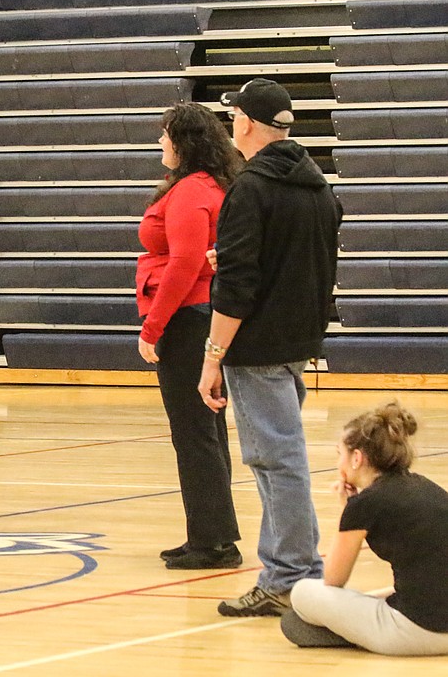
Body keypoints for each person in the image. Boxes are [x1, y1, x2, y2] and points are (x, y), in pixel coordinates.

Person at [198, 78, 342, 616]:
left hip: (255, 347)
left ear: (247, 124)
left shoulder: (250, 188)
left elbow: (237, 290)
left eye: (234, 116)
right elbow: (305, 263)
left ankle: (290, 578)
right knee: (276, 459)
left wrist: (212, 359)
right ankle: (290, 571)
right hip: (297, 341)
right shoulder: (317, 186)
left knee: (277, 461)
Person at [136, 103, 243, 570]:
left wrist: (152, 328)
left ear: (184, 142)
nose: (160, 142)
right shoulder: (205, 186)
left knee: (195, 433)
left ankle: (211, 542)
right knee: (206, 431)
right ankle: (212, 534)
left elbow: (184, 264)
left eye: (165, 135)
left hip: (186, 319)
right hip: (199, 315)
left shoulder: (190, 193)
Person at [282, 402, 448, 655]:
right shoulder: (426, 486)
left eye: (340, 454)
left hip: (417, 632)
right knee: (382, 593)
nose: (339, 462)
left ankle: (353, 632)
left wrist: (347, 509)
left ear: (357, 458)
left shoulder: (365, 503)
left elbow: (333, 579)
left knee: (303, 593)